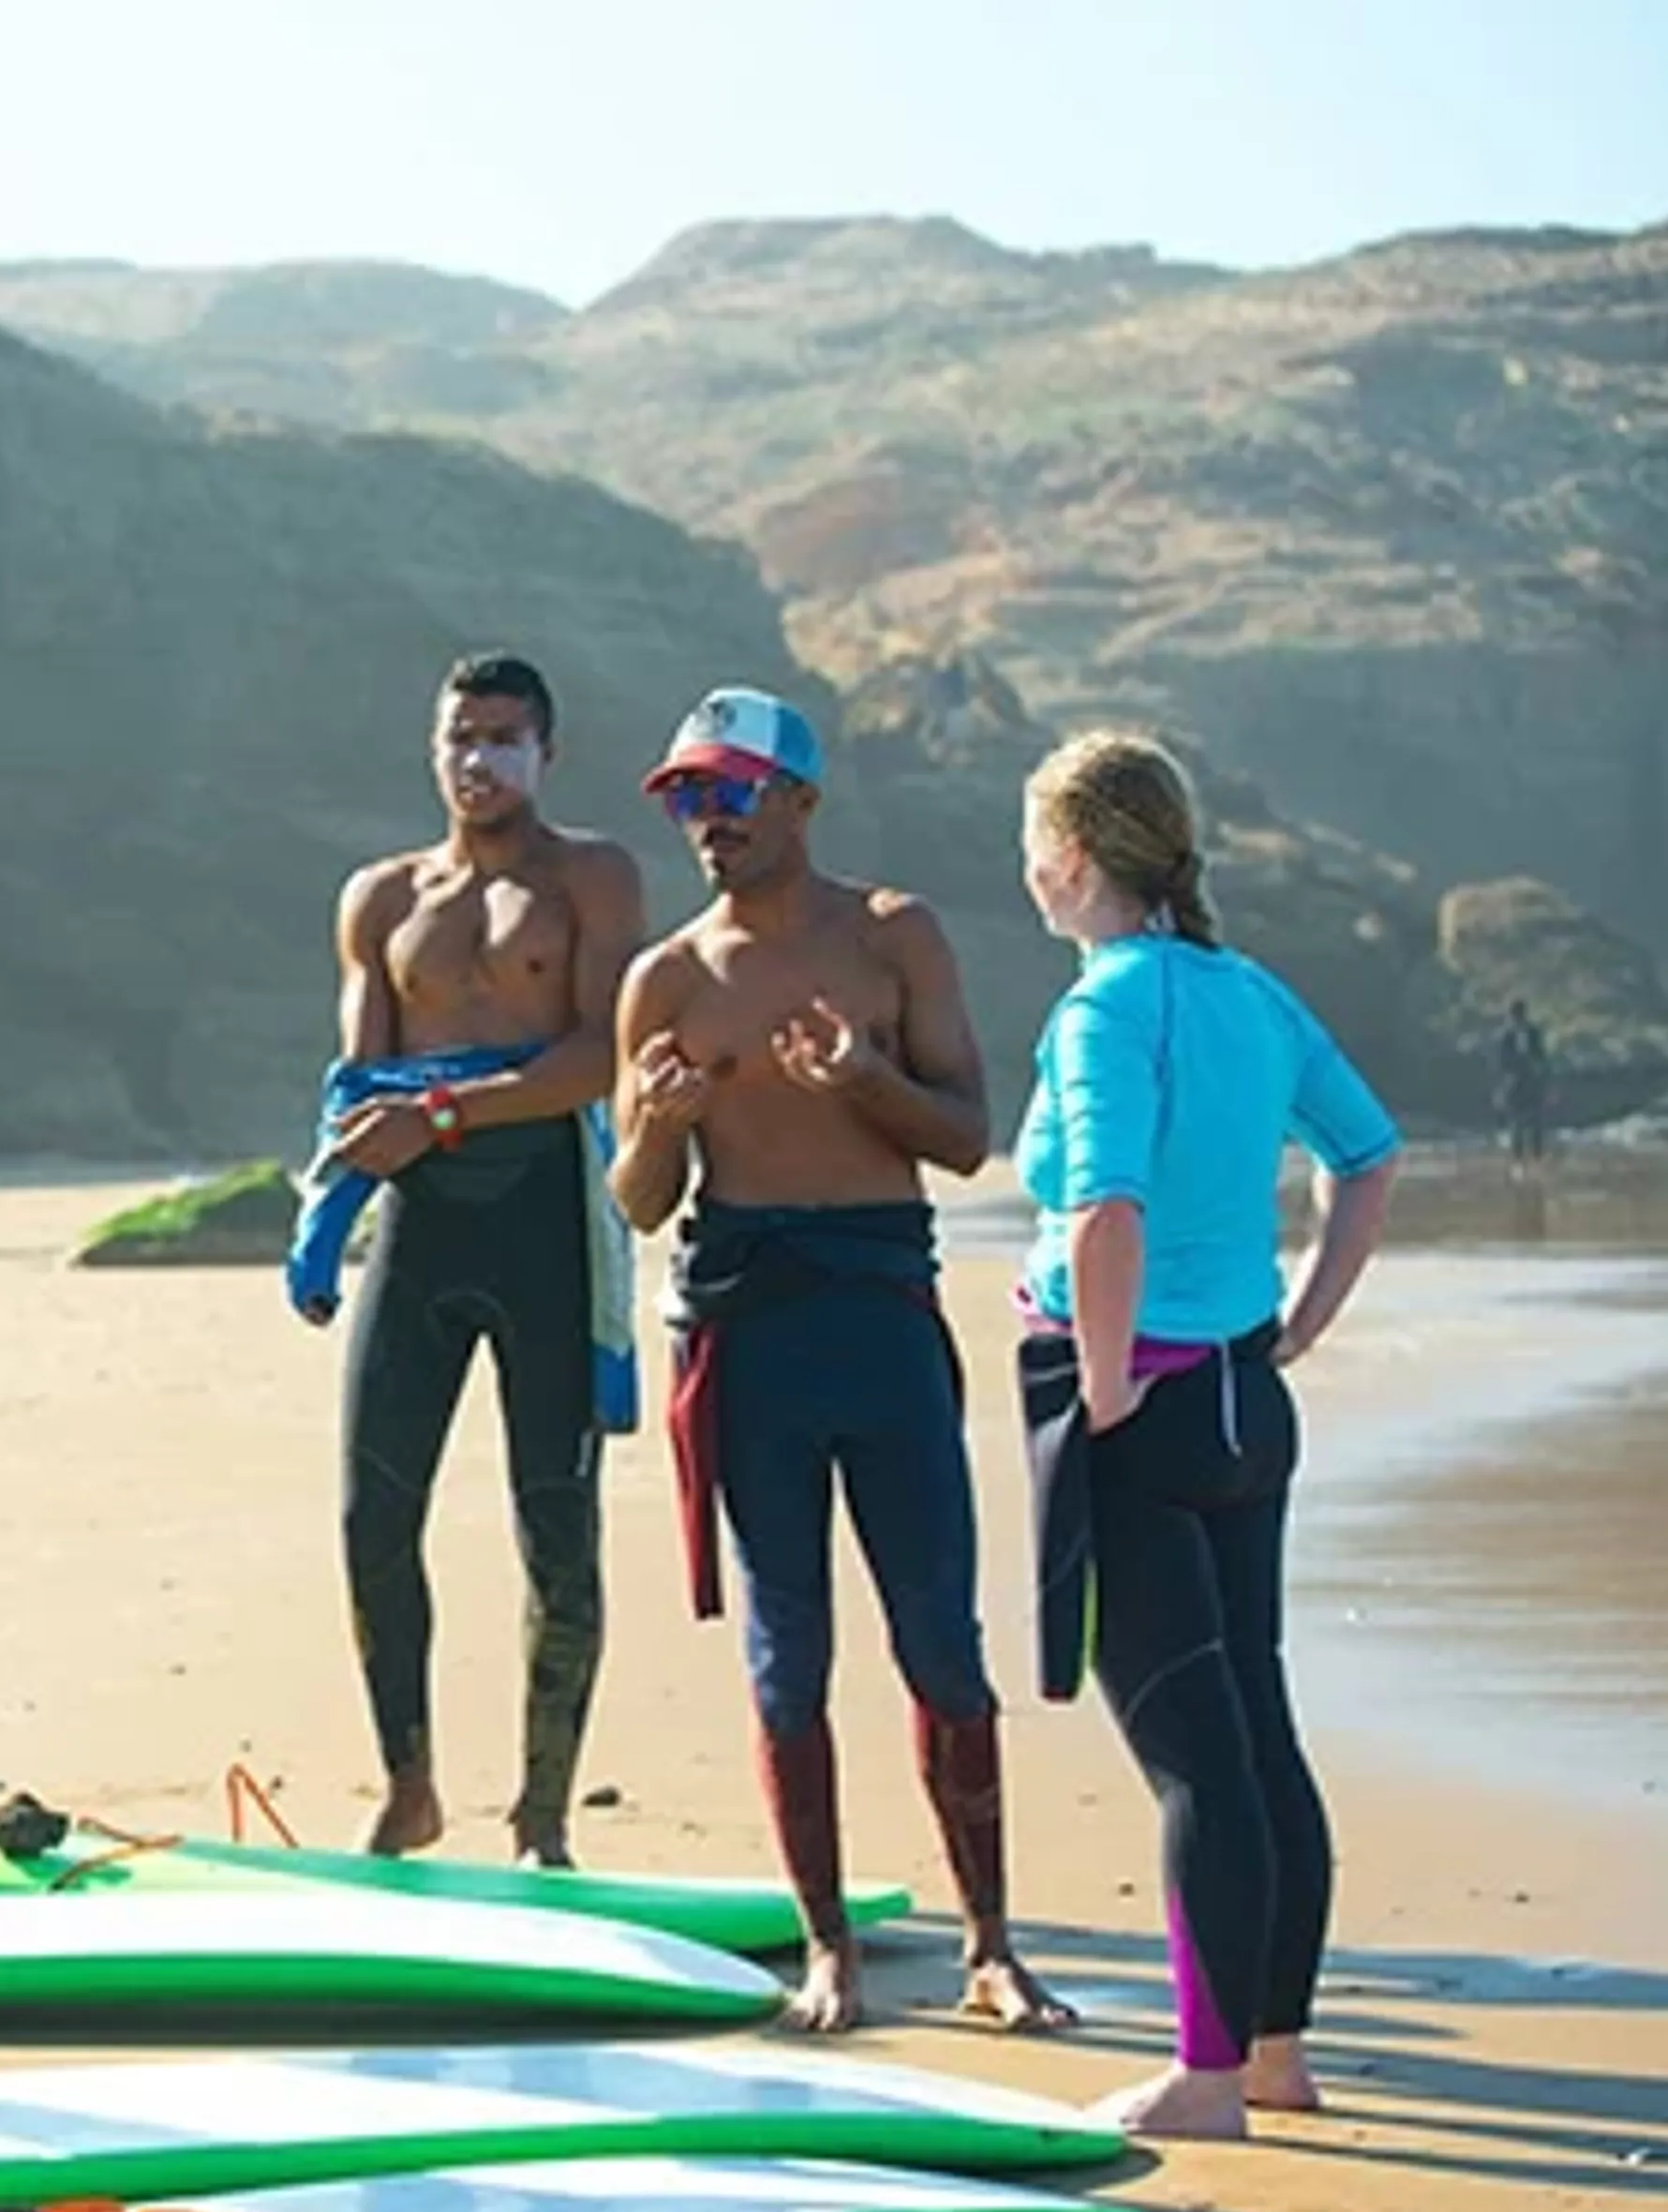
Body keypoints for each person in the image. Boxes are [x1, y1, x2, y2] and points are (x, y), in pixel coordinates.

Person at [606, 685, 1068, 2036]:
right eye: (689, 797)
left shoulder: (892, 935)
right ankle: (829, 1952)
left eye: (733, 792)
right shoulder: (669, 978)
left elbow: (969, 1136)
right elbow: (640, 1199)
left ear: (802, 799)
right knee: (784, 1650)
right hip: (748, 1331)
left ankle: (988, 1943)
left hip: (880, 1314)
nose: (709, 821)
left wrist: (864, 1082)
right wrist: (661, 1126)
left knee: (940, 1636)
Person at [1008, 729, 1400, 2138]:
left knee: (1193, 1756)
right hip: (1244, 1395)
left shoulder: (1106, 1008)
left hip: (1143, 1400)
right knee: (1257, 1735)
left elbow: (1106, 1207)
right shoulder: (1250, 994)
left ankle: (1209, 2077)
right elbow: (1366, 1152)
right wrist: (1298, 1323)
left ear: (1066, 861)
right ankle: (1277, 2049)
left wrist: (1104, 1388)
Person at [307, 651, 645, 1868]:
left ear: (545, 752)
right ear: (432, 744)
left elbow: (603, 1050)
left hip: (545, 1219)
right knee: (370, 1516)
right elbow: (364, 1085)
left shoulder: (592, 879)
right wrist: (322, 1223)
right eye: (460, 735)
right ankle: (410, 1785)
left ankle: (544, 1815)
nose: (478, 758)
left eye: (504, 737)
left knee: (555, 1527)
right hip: (419, 1227)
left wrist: (441, 1117)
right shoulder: (383, 899)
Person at [1493, 998, 1553, 1166]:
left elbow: (1543, 1058)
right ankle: (1518, 1159)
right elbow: (1500, 1064)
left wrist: (1547, 1084)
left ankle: (1537, 1157)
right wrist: (1500, 1088)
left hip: (1533, 1083)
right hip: (1513, 1083)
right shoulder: (1505, 1037)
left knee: (1537, 1122)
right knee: (1516, 1124)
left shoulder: (1534, 1033)